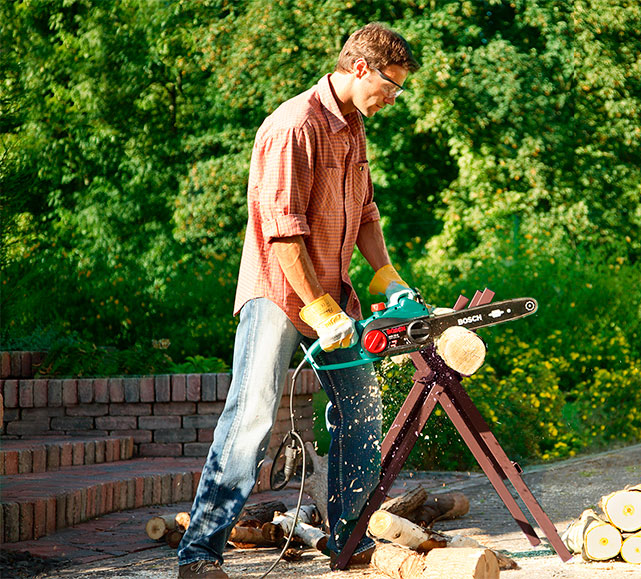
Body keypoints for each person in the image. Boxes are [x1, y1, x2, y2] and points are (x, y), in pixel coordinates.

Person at [176, 22, 419, 579]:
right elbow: (282, 233)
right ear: (361, 69)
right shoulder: (293, 126)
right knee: (252, 415)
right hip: (279, 294)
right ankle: (199, 552)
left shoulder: (354, 128)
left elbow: (367, 212)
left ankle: (349, 537)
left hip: (332, 294)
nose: (393, 98)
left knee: (362, 408)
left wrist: (386, 276)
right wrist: (318, 308)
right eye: (392, 86)